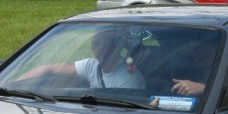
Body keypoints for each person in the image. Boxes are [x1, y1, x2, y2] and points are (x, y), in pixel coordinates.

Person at [17, 28, 146, 89]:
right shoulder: (92, 66)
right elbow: (50, 69)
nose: (98, 49)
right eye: (95, 43)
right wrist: (13, 85)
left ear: (117, 48)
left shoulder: (129, 79)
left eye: (104, 44)